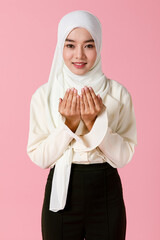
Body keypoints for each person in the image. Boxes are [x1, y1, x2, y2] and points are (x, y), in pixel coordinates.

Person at [27, 10, 137, 240]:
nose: (79, 55)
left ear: (99, 45)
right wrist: (68, 126)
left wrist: (94, 124)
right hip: (62, 188)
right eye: (70, 45)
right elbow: (41, 158)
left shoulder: (118, 93)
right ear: (60, 47)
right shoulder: (44, 96)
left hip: (105, 188)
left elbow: (123, 157)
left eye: (88, 45)